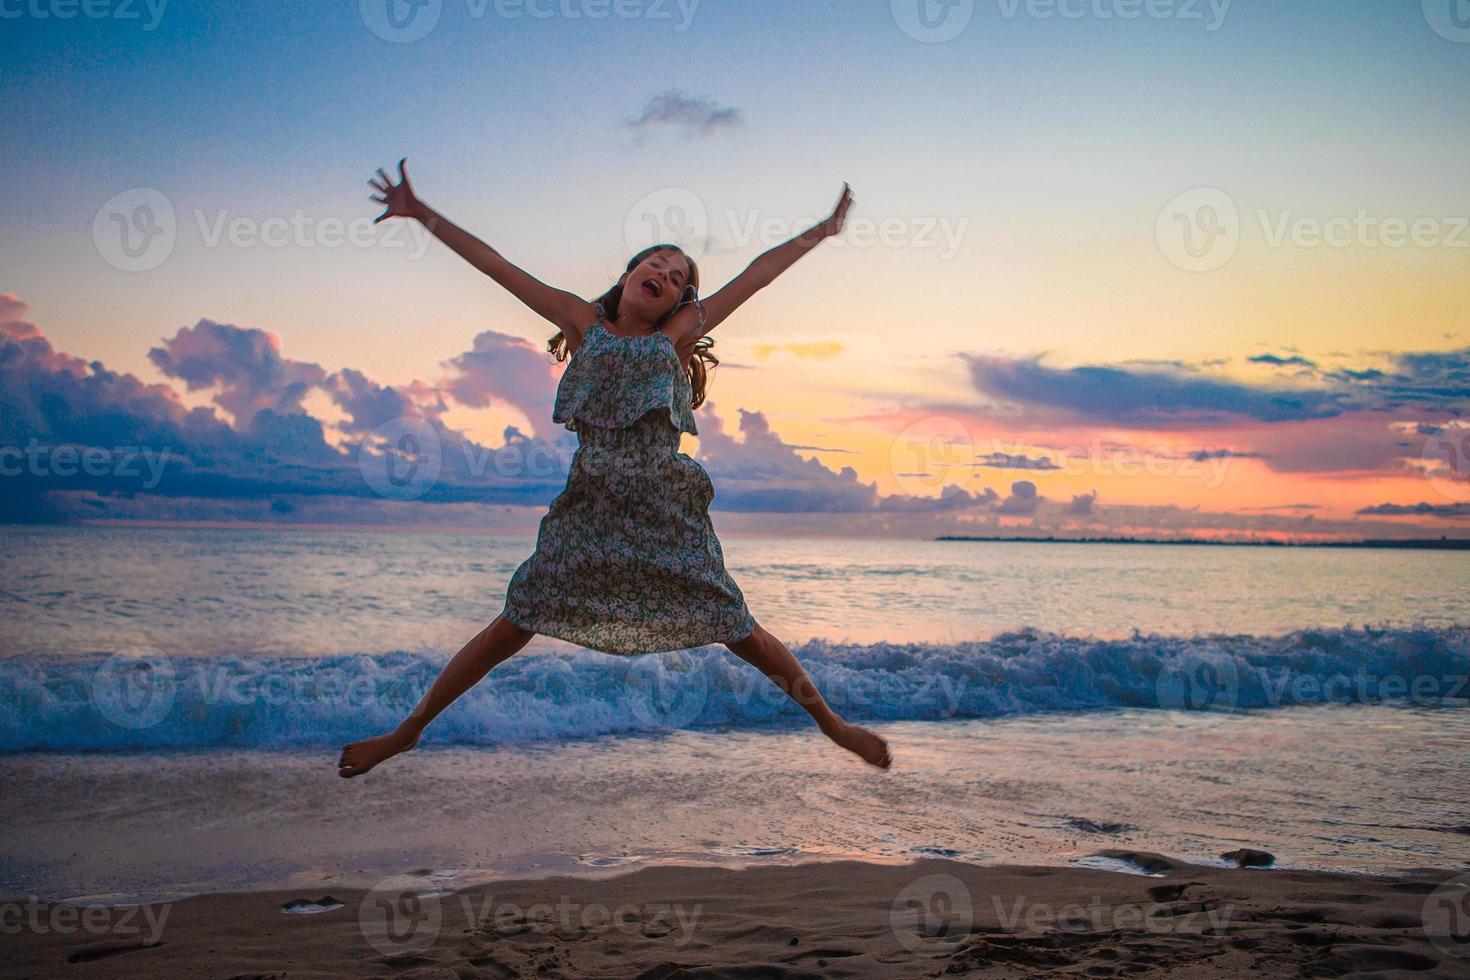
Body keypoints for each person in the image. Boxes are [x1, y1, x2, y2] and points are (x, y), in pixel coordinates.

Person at [338, 160, 891, 777]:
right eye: (655, 263)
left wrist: (824, 230)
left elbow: (755, 277)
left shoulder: (676, 335)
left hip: (664, 511)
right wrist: (421, 213)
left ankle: (834, 726)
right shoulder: (581, 322)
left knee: (742, 634)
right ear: (628, 274)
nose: (663, 274)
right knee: (509, 629)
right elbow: (496, 267)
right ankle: (408, 731)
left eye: (678, 276)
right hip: (590, 510)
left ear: (681, 301)